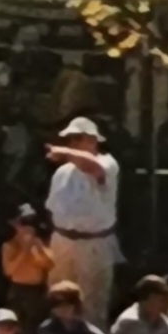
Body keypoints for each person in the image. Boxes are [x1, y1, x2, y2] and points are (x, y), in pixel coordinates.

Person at [44, 115, 122, 322]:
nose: (73, 143)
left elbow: (93, 168)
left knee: (92, 302)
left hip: (93, 243)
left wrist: (64, 152)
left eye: (78, 138)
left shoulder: (107, 163)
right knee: (58, 295)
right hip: (62, 241)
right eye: (70, 139)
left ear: (93, 140)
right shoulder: (62, 172)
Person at [1, 205, 53, 334]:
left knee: (37, 326)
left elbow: (50, 264)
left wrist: (39, 247)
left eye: (30, 223)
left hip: (37, 291)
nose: (27, 227)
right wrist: (25, 250)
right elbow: (8, 271)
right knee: (17, 327)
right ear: (16, 226)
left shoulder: (39, 245)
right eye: (24, 223)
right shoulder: (9, 246)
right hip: (19, 291)